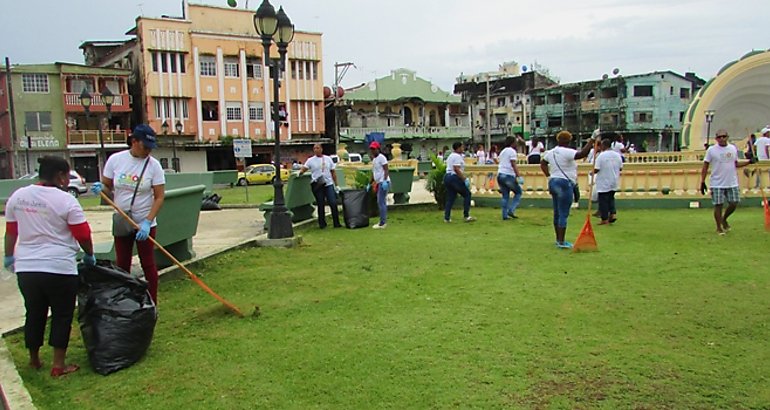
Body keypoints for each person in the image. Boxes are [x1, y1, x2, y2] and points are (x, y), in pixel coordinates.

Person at [4, 156, 96, 377]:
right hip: (59, 267)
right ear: (60, 176)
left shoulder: (18, 196)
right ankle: (58, 364)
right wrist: (89, 255)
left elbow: (11, 231)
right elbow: (82, 233)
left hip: (27, 267)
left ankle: (34, 359)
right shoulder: (66, 201)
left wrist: (9, 257)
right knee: (62, 314)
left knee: (34, 312)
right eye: (67, 175)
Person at [92, 124, 165, 303]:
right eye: (144, 146)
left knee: (148, 264)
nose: (148, 150)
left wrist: (148, 222)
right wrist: (101, 188)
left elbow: (159, 197)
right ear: (134, 141)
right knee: (122, 264)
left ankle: (152, 303)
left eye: (150, 147)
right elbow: (107, 186)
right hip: (123, 220)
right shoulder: (116, 160)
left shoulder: (154, 166)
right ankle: (123, 302)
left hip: (144, 223)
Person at [540, 130, 595, 249]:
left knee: (557, 212)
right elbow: (582, 154)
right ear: (569, 141)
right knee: (563, 213)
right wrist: (592, 140)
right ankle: (561, 241)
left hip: (553, 181)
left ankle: (558, 239)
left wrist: (549, 176)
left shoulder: (551, 152)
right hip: (565, 183)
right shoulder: (568, 152)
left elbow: (543, 163)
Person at [699, 129, 754, 235]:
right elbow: (705, 166)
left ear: (727, 137)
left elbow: (735, 164)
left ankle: (724, 219)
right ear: (716, 139)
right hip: (717, 182)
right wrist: (702, 181)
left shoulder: (732, 148)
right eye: (719, 137)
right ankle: (719, 227)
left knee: (734, 202)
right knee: (718, 205)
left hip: (731, 181)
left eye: (724, 136)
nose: (722, 139)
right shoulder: (711, 150)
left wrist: (749, 162)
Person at [299, 143, 341, 229]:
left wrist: (336, 185)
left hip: (328, 183)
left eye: (318, 148)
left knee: (332, 202)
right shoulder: (310, 160)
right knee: (320, 203)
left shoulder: (328, 159)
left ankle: (336, 223)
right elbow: (304, 168)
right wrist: (300, 173)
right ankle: (322, 223)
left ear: (321, 149)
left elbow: (333, 172)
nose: (316, 150)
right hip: (318, 184)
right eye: (314, 148)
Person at [444, 142, 476, 223]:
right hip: (454, 177)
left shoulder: (451, 156)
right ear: (458, 148)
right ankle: (466, 215)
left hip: (447, 176)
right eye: (462, 147)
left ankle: (447, 217)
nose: (463, 149)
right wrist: (464, 178)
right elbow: (456, 168)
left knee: (451, 197)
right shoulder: (457, 157)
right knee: (467, 194)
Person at [593, 138, 624, 225]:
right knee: (611, 198)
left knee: (603, 200)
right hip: (614, 180)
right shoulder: (617, 155)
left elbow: (596, 169)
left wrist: (591, 173)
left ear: (603, 145)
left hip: (603, 181)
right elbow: (621, 167)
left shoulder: (601, 156)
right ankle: (613, 213)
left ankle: (604, 218)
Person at [497, 136, 524, 220]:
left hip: (500, 174)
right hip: (508, 175)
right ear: (512, 143)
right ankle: (511, 210)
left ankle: (504, 215)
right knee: (518, 192)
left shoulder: (503, 151)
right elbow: (513, 164)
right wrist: (518, 175)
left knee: (505, 195)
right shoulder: (512, 151)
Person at [369, 141, 390, 229]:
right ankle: (382, 221)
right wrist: (369, 183)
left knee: (381, 202)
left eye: (374, 149)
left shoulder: (382, 158)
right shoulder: (374, 160)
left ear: (378, 149)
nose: (373, 151)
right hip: (379, 182)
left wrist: (385, 180)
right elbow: (374, 173)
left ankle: (382, 222)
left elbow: (386, 170)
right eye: (371, 149)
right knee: (381, 202)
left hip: (383, 182)